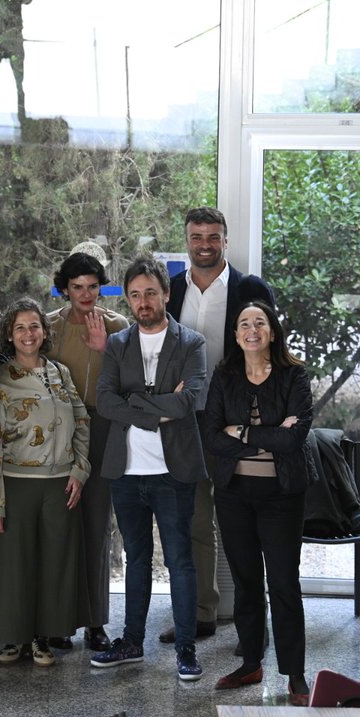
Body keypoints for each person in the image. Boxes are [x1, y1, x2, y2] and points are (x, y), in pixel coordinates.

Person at [163, 206, 276, 644]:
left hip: (236, 424)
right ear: (187, 240)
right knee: (193, 519)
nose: (205, 244)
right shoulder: (172, 289)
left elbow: (267, 347)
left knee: (244, 522)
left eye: (213, 236)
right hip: (185, 422)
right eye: (197, 236)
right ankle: (201, 615)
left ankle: (253, 626)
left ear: (225, 241)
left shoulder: (250, 288)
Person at [92, 257, 206, 681]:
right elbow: (105, 401)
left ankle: (187, 650)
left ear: (166, 294)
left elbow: (188, 401)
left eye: (151, 293)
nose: (143, 302)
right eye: (135, 295)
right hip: (126, 470)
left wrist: (134, 402)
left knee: (179, 561)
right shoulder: (119, 343)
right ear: (128, 298)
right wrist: (156, 408)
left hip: (173, 471)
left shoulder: (191, 342)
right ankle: (132, 642)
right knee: (135, 559)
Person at [203, 301, 313, 703]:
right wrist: (268, 434)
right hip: (234, 496)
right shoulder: (225, 375)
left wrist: (243, 434)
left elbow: (293, 440)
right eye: (244, 324)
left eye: (260, 322)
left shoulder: (293, 375)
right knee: (247, 583)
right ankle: (251, 663)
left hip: (281, 496)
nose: (252, 329)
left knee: (283, 583)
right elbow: (213, 437)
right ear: (236, 335)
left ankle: (296, 674)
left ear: (272, 330)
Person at [0, 297, 90, 668]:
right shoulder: (0, 379)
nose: (28, 334)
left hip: (61, 483)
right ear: (9, 335)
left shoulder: (60, 372)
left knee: (54, 562)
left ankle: (44, 637)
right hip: (15, 481)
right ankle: (14, 639)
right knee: (14, 564)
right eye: (20, 328)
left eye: (34, 326)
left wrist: (80, 470)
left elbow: (82, 421)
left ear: (45, 331)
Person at [44, 247, 129, 652]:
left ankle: (96, 622)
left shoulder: (117, 326)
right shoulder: (47, 327)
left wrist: (104, 348)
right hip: (58, 428)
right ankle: (59, 620)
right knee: (62, 525)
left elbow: (132, 378)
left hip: (103, 426)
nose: (86, 293)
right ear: (65, 289)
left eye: (93, 286)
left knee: (97, 525)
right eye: (77, 287)